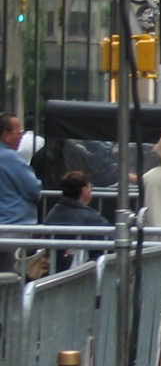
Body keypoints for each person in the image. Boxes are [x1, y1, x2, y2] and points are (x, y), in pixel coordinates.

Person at [42, 171, 110, 271]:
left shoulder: (53, 213)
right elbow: (110, 242)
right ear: (84, 190)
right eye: (89, 186)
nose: (91, 190)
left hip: (53, 270)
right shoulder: (91, 217)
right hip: (81, 272)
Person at [0, 113, 41, 245]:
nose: (21, 137)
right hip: (13, 227)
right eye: (19, 133)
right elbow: (33, 189)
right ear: (6, 135)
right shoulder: (10, 158)